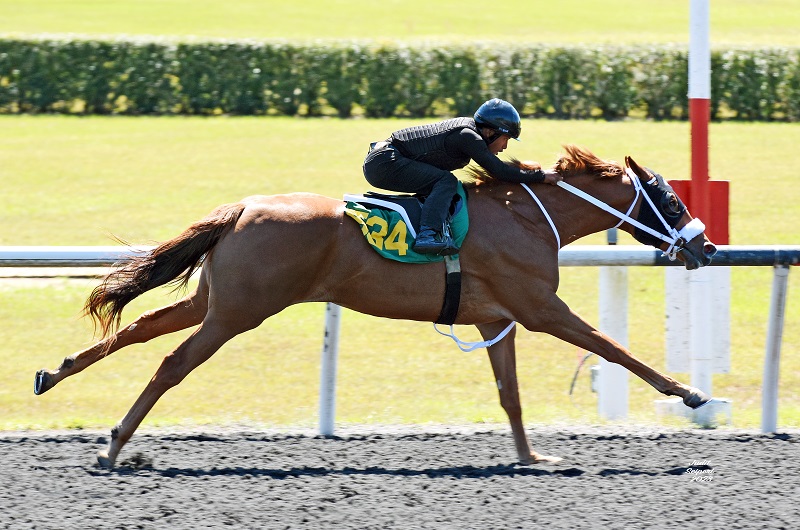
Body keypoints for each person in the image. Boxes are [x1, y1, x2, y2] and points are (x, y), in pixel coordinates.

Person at [362, 98, 562, 256]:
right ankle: (427, 236)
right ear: (491, 132)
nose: (505, 146)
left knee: (443, 183)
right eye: (506, 139)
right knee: (446, 181)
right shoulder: (469, 136)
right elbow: (500, 171)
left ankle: (428, 227)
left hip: (386, 159)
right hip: (384, 162)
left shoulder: (469, 132)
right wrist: (541, 176)